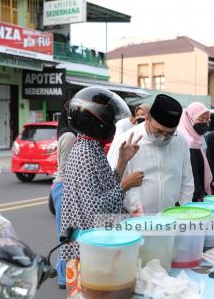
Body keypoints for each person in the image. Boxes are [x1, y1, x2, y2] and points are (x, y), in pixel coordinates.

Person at [60, 87, 144, 293]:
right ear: (97, 121)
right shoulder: (84, 153)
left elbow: (106, 188)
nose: (113, 126)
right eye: (111, 120)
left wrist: (122, 162)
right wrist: (126, 185)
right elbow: (95, 208)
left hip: (95, 244)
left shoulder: (92, 148)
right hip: (86, 250)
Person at [107, 94, 194, 214]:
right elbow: (110, 184)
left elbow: (187, 180)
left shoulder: (180, 140)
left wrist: (185, 211)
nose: (163, 137)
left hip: (171, 218)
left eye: (169, 133)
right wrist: (137, 213)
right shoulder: (126, 141)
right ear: (147, 118)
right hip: (134, 220)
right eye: (159, 131)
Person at [51, 102, 77, 289]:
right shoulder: (69, 136)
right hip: (65, 186)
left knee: (70, 234)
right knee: (66, 235)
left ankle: (61, 271)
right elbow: (68, 169)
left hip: (66, 186)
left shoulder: (71, 134)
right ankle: (63, 278)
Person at [177, 102, 213, 201]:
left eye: (207, 120)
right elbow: (191, 174)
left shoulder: (198, 140)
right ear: (189, 119)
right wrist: (198, 195)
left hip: (197, 195)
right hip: (189, 198)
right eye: (201, 119)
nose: (204, 123)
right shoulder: (184, 142)